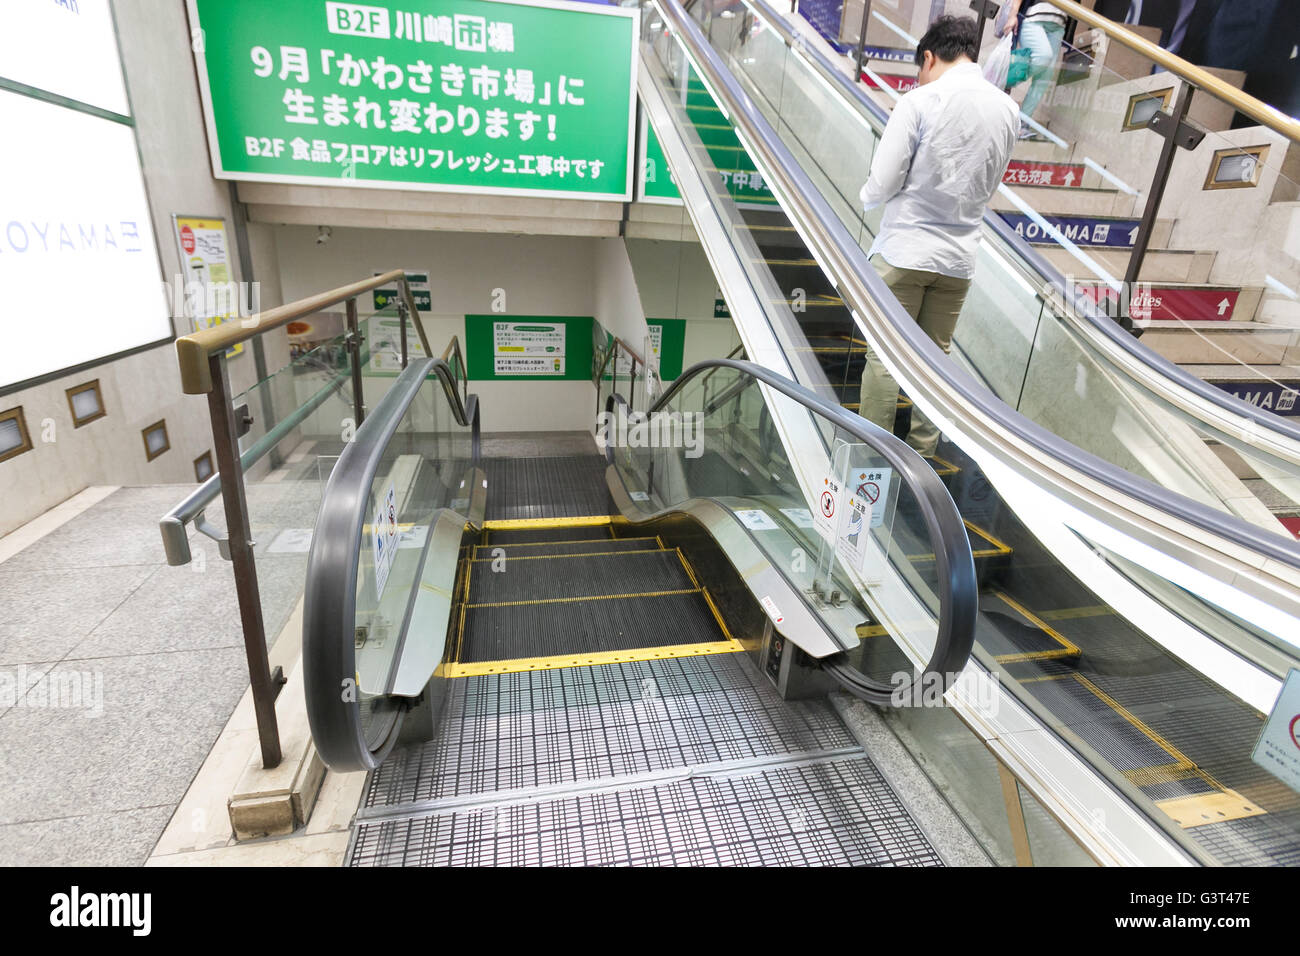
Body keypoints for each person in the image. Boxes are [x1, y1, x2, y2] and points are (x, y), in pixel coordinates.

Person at [856, 14, 1018, 457]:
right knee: (934, 362)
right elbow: (992, 179)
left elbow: (884, 180)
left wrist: (867, 195)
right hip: (959, 260)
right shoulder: (1007, 109)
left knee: (886, 357)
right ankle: (924, 459)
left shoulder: (920, 102)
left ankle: (873, 456)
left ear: (929, 56)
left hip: (905, 251)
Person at [1001, 0, 1069, 137]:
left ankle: (1021, 123)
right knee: (1043, 57)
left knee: (1045, 77)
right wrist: (1013, 14)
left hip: (1059, 24)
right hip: (1035, 17)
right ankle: (1001, 83)